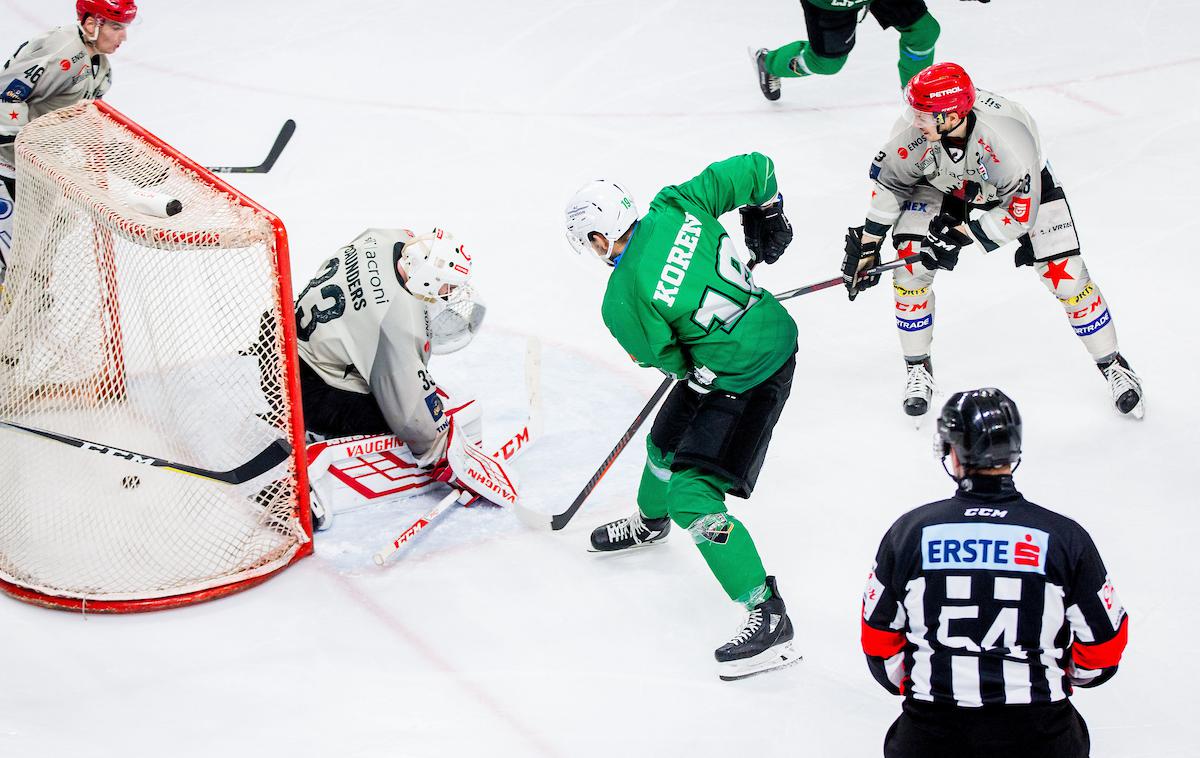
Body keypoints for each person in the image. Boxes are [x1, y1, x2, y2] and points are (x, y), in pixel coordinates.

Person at [563, 153, 801, 681]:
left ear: (601, 239)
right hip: (740, 348)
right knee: (663, 444)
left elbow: (666, 359)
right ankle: (651, 524)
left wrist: (701, 359)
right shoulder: (677, 203)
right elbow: (758, 168)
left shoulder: (620, 300)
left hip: (751, 375)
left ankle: (769, 617)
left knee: (692, 494)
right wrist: (768, 211)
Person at [840, 62, 1143, 419]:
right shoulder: (916, 131)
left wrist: (962, 235)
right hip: (942, 181)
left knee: (1065, 273)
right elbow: (891, 184)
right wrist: (869, 246)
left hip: (1012, 190)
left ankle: (1113, 364)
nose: (913, 121)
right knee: (909, 266)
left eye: (922, 114)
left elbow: (1018, 214)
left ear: (951, 116)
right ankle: (917, 368)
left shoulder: (1010, 142)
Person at [861, 387, 1128, 758]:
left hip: (930, 735)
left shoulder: (909, 533)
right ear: (1014, 450)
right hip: (1042, 736)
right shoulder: (1064, 537)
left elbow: (878, 639)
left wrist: (923, 684)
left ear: (951, 452)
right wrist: (1064, 675)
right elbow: (1103, 649)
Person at [272, 228, 485, 528]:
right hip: (309, 392)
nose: (448, 296)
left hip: (280, 347)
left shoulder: (386, 237)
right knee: (396, 411)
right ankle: (314, 436)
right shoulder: (397, 324)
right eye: (446, 288)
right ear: (428, 278)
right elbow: (413, 417)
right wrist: (446, 460)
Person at [0, 0, 137, 285]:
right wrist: (21, 143)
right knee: (14, 244)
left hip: (38, 165)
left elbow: (80, 122)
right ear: (91, 24)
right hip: (9, 163)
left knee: (59, 221)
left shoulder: (100, 68)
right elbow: (6, 96)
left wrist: (122, 158)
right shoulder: (62, 54)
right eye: (115, 26)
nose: (123, 36)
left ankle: (26, 289)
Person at [752, 0, 970, 100]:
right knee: (827, 63)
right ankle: (769, 62)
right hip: (832, 4)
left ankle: (917, 97)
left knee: (923, 31)